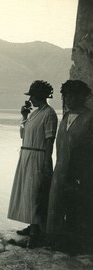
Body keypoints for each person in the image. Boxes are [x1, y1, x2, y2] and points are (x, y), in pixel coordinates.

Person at [8, 80, 58, 247]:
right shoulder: (34, 114)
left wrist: (45, 161)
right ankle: (31, 226)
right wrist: (23, 117)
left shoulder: (49, 114)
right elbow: (23, 135)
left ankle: (36, 233)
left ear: (41, 96)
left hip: (38, 157)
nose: (30, 100)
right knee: (28, 192)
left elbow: (50, 140)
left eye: (32, 96)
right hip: (26, 155)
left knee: (36, 192)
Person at [46, 80, 93, 254]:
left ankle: (74, 245)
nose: (69, 99)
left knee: (76, 207)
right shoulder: (65, 117)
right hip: (61, 171)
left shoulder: (90, 118)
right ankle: (57, 240)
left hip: (80, 173)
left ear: (83, 96)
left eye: (73, 95)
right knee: (58, 205)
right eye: (66, 96)